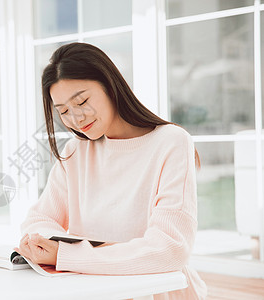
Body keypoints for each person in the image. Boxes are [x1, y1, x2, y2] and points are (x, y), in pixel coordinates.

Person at [14, 42, 207, 299]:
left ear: (110, 85)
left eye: (81, 101)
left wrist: (69, 253)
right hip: (95, 290)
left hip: (156, 292)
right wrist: (110, 250)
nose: (76, 118)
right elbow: (37, 222)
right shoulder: (76, 151)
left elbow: (169, 249)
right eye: (63, 111)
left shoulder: (171, 142)